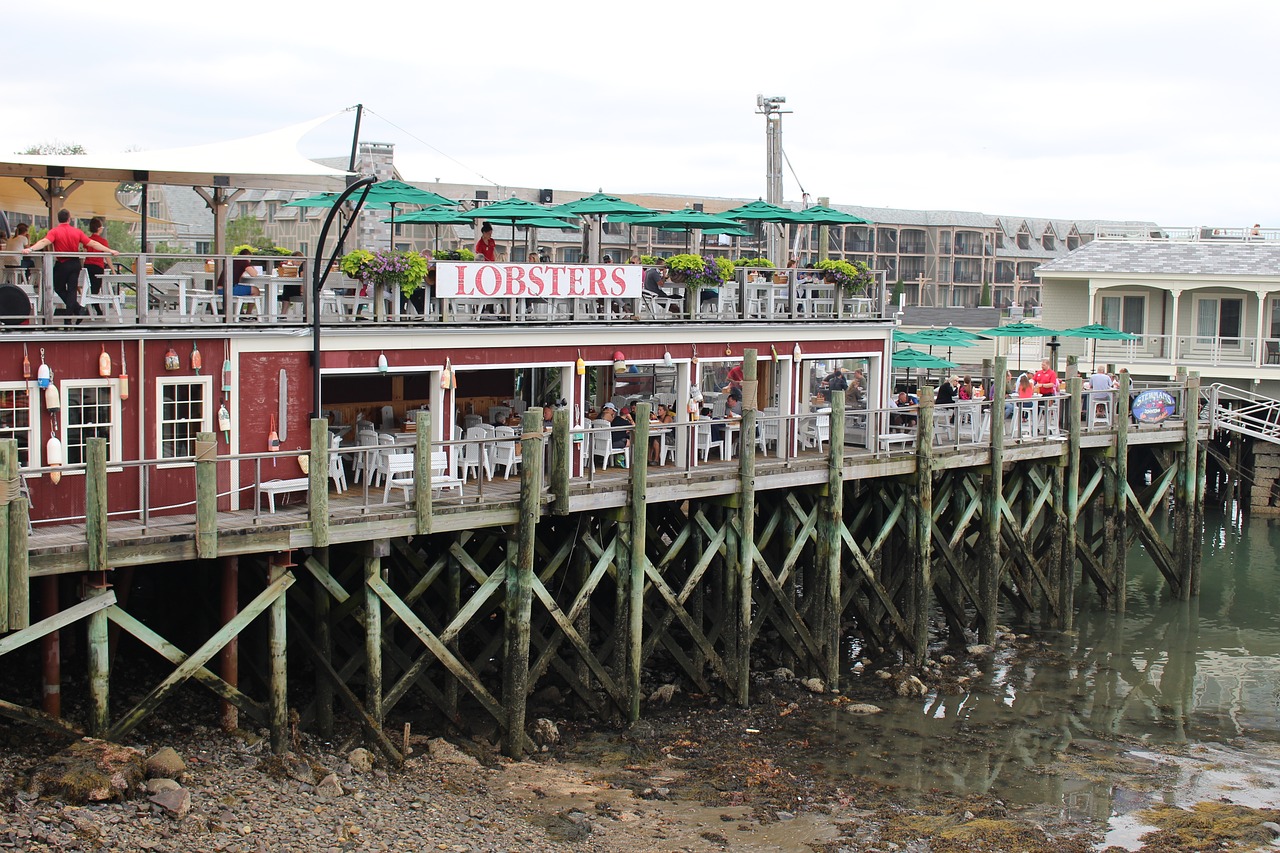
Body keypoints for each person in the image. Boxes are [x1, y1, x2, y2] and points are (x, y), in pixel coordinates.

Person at [24, 209, 119, 318]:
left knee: (58, 287)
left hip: (63, 263)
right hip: (75, 263)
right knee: (72, 290)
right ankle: (71, 316)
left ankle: (76, 310)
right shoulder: (77, 231)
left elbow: (44, 242)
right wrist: (110, 250)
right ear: (69, 219)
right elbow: (92, 243)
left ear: (58, 219)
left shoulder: (55, 231)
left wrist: (31, 249)